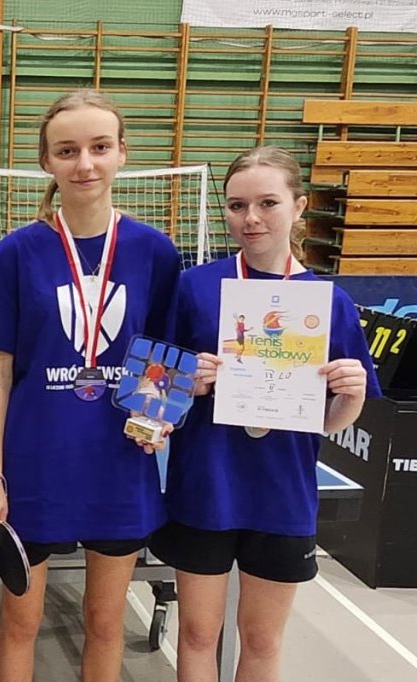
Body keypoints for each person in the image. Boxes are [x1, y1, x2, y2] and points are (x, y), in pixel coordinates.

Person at [0, 89, 182, 682]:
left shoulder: (156, 252)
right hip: (34, 468)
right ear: (47, 161)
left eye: (99, 147)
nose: (85, 163)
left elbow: (165, 360)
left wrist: (158, 417)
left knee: (106, 622)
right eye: (67, 150)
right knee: (20, 622)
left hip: (120, 466)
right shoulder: (16, 253)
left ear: (121, 153)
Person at [150, 146, 380, 682]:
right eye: (237, 206)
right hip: (204, 487)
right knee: (198, 635)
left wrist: (350, 396)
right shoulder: (194, 286)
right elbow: (153, 394)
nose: (250, 218)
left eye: (267, 203)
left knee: (261, 640)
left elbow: (330, 421)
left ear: (299, 207)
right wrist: (186, 382)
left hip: (283, 494)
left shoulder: (329, 303)